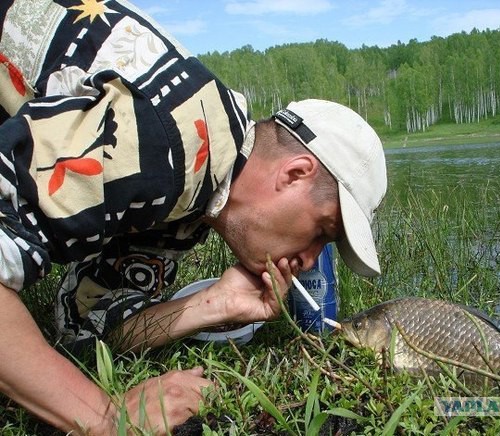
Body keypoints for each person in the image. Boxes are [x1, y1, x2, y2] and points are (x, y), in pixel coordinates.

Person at [0, 0, 387, 434]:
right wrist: (106, 419)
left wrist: (212, 304)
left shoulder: (198, 199)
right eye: (322, 230)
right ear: (295, 174)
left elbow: (84, 326)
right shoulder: (168, 143)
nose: (312, 259)